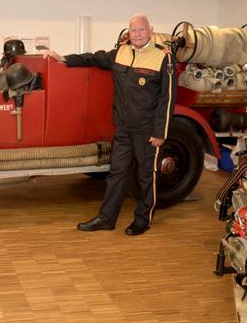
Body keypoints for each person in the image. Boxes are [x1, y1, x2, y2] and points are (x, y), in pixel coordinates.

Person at [43, 14, 176, 236]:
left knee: (146, 176)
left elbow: (168, 98)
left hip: (147, 131)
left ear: (150, 30)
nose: (138, 34)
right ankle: (106, 218)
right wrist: (63, 58)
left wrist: (160, 132)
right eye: (134, 31)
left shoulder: (163, 57)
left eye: (142, 30)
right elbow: (94, 58)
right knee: (116, 173)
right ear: (129, 32)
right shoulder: (121, 52)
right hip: (123, 128)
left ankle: (142, 220)